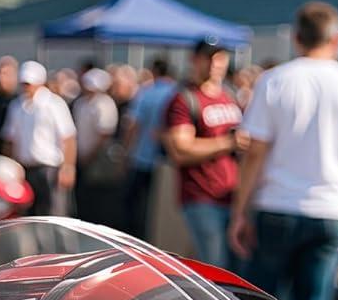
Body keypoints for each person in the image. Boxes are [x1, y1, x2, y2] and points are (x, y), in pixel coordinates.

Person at [229, 1, 338, 300]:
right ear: (336, 39)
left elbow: (255, 153)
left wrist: (240, 210)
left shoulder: (274, 81)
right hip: (329, 210)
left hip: (276, 207)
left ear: (296, 38)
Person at [164, 38, 242, 269]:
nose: (215, 64)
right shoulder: (184, 98)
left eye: (220, 58)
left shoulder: (230, 95)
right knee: (217, 268)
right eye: (208, 58)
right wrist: (229, 143)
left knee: (235, 269)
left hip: (232, 195)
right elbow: (181, 149)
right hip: (202, 196)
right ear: (195, 61)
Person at [2, 61, 75, 217]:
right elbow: (10, 139)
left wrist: (67, 167)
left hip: (50, 168)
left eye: (29, 83)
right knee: (28, 215)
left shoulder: (54, 104)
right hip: (25, 168)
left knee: (54, 214)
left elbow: (68, 138)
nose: (26, 87)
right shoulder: (16, 106)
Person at [122, 56, 175, 237]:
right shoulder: (178, 93)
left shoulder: (145, 93)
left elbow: (133, 125)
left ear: (153, 71)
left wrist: (126, 150)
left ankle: (139, 238)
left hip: (143, 157)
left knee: (139, 205)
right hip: (169, 162)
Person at [72, 67, 120, 222]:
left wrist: (90, 154)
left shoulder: (105, 104)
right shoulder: (80, 103)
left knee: (99, 196)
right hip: (82, 155)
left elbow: (104, 134)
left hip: (99, 158)